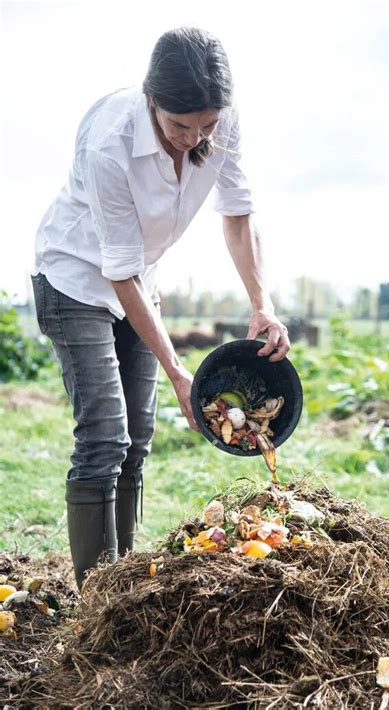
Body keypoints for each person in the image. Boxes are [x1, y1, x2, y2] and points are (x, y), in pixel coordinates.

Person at [31, 27, 290, 590]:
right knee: (104, 434)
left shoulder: (218, 120)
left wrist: (261, 304)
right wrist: (178, 371)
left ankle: (123, 579)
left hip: (136, 281)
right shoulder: (110, 143)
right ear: (151, 99)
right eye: (178, 126)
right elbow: (114, 268)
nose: (193, 139)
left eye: (206, 126)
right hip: (76, 278)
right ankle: (98, 599)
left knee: (139, 434)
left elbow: (238, 213)